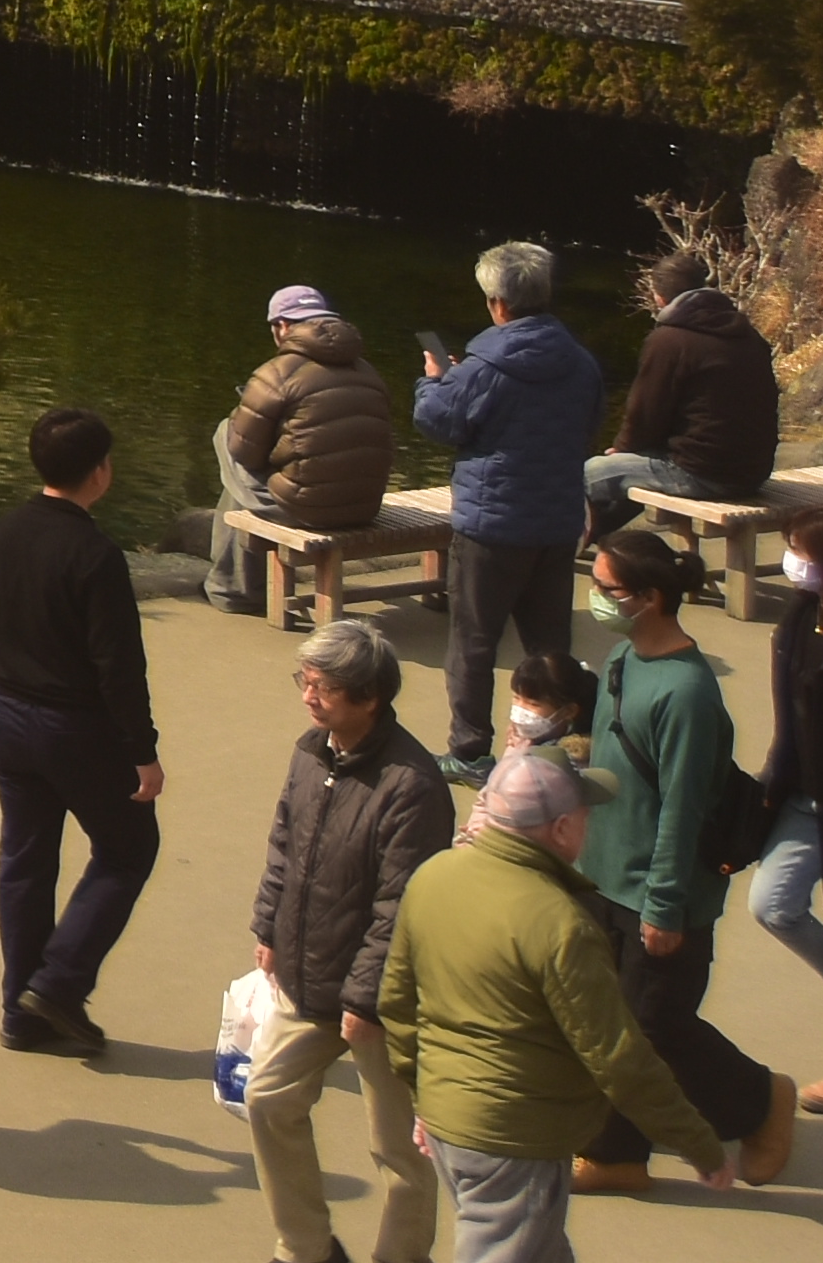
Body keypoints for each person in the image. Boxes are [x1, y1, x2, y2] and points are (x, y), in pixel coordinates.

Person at [389, 749, 745, 1247]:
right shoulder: (561, 924)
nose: (589, 825)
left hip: (449, 1123)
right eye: (584, 815)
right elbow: (618, 1059)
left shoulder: (433, 878)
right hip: (516, 1141)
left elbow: (397, 1005)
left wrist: (424, 1097)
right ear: (560, 829)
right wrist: (699, 1145)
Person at [579, 521, 800, 1192]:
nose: (594, 597)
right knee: (610, 1026)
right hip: (603, 879)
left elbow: (681, 809)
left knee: (656, 1030)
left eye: (606, 588)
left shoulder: (688, 693)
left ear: (648, 598)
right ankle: (617, 1155)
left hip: (660, 894)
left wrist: (666, 905)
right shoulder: (621, 661)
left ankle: (760, 1101)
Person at [247, 617, 457, 1263]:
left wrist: (365, 1000)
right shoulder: (312, 753)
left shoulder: (413, 786)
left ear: (369, 697)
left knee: (397, 1148)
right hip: (307, 972)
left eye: (324, 687)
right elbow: (284, 843)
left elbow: (401, 906)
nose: (309, 697)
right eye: (305, 681)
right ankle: (305, 1246)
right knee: (267, 1098)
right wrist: (268, 925)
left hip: (382, 1001)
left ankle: (402, 1255)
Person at [0, 401, 163, 1058]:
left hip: (5, 715)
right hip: (73, 726)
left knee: (25, 861)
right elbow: (119, 667)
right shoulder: (95, 555)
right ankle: (58, 983)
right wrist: (142, 752)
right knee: (128, 847)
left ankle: (20, 1010)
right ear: (100, 472)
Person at [423, 242, 602, 777]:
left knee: (473, 643)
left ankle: (470, 750)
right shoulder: (581, 363)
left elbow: (438, 421)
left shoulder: (484, 367)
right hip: (556, 519)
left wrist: (434, 380)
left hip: (492, 523)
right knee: (549, 644)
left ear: (498, 303)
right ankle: (558, 742)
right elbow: (590, 424)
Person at [751, 506, 823, 1119]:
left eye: (804, 552)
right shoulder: (798, 618)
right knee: (773, 904)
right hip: (806, 796)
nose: (793, 563)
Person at [223, 282, 402, 619]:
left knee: (226, 434)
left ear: (282, 327)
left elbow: (244, 454)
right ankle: (230, 586)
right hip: (365, 506)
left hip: (312, 510)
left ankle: (237, 589)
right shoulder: (368, 371)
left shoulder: (276, 373)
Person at [591, 253, 783, 519]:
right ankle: (599, 536)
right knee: (631, 468)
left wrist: (622, 449)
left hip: (702, 473)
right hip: (754, 472)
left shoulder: (669, 340)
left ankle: (572, 541)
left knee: (586, 476)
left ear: (659, 296)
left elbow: (646, 413)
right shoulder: (748, 335)